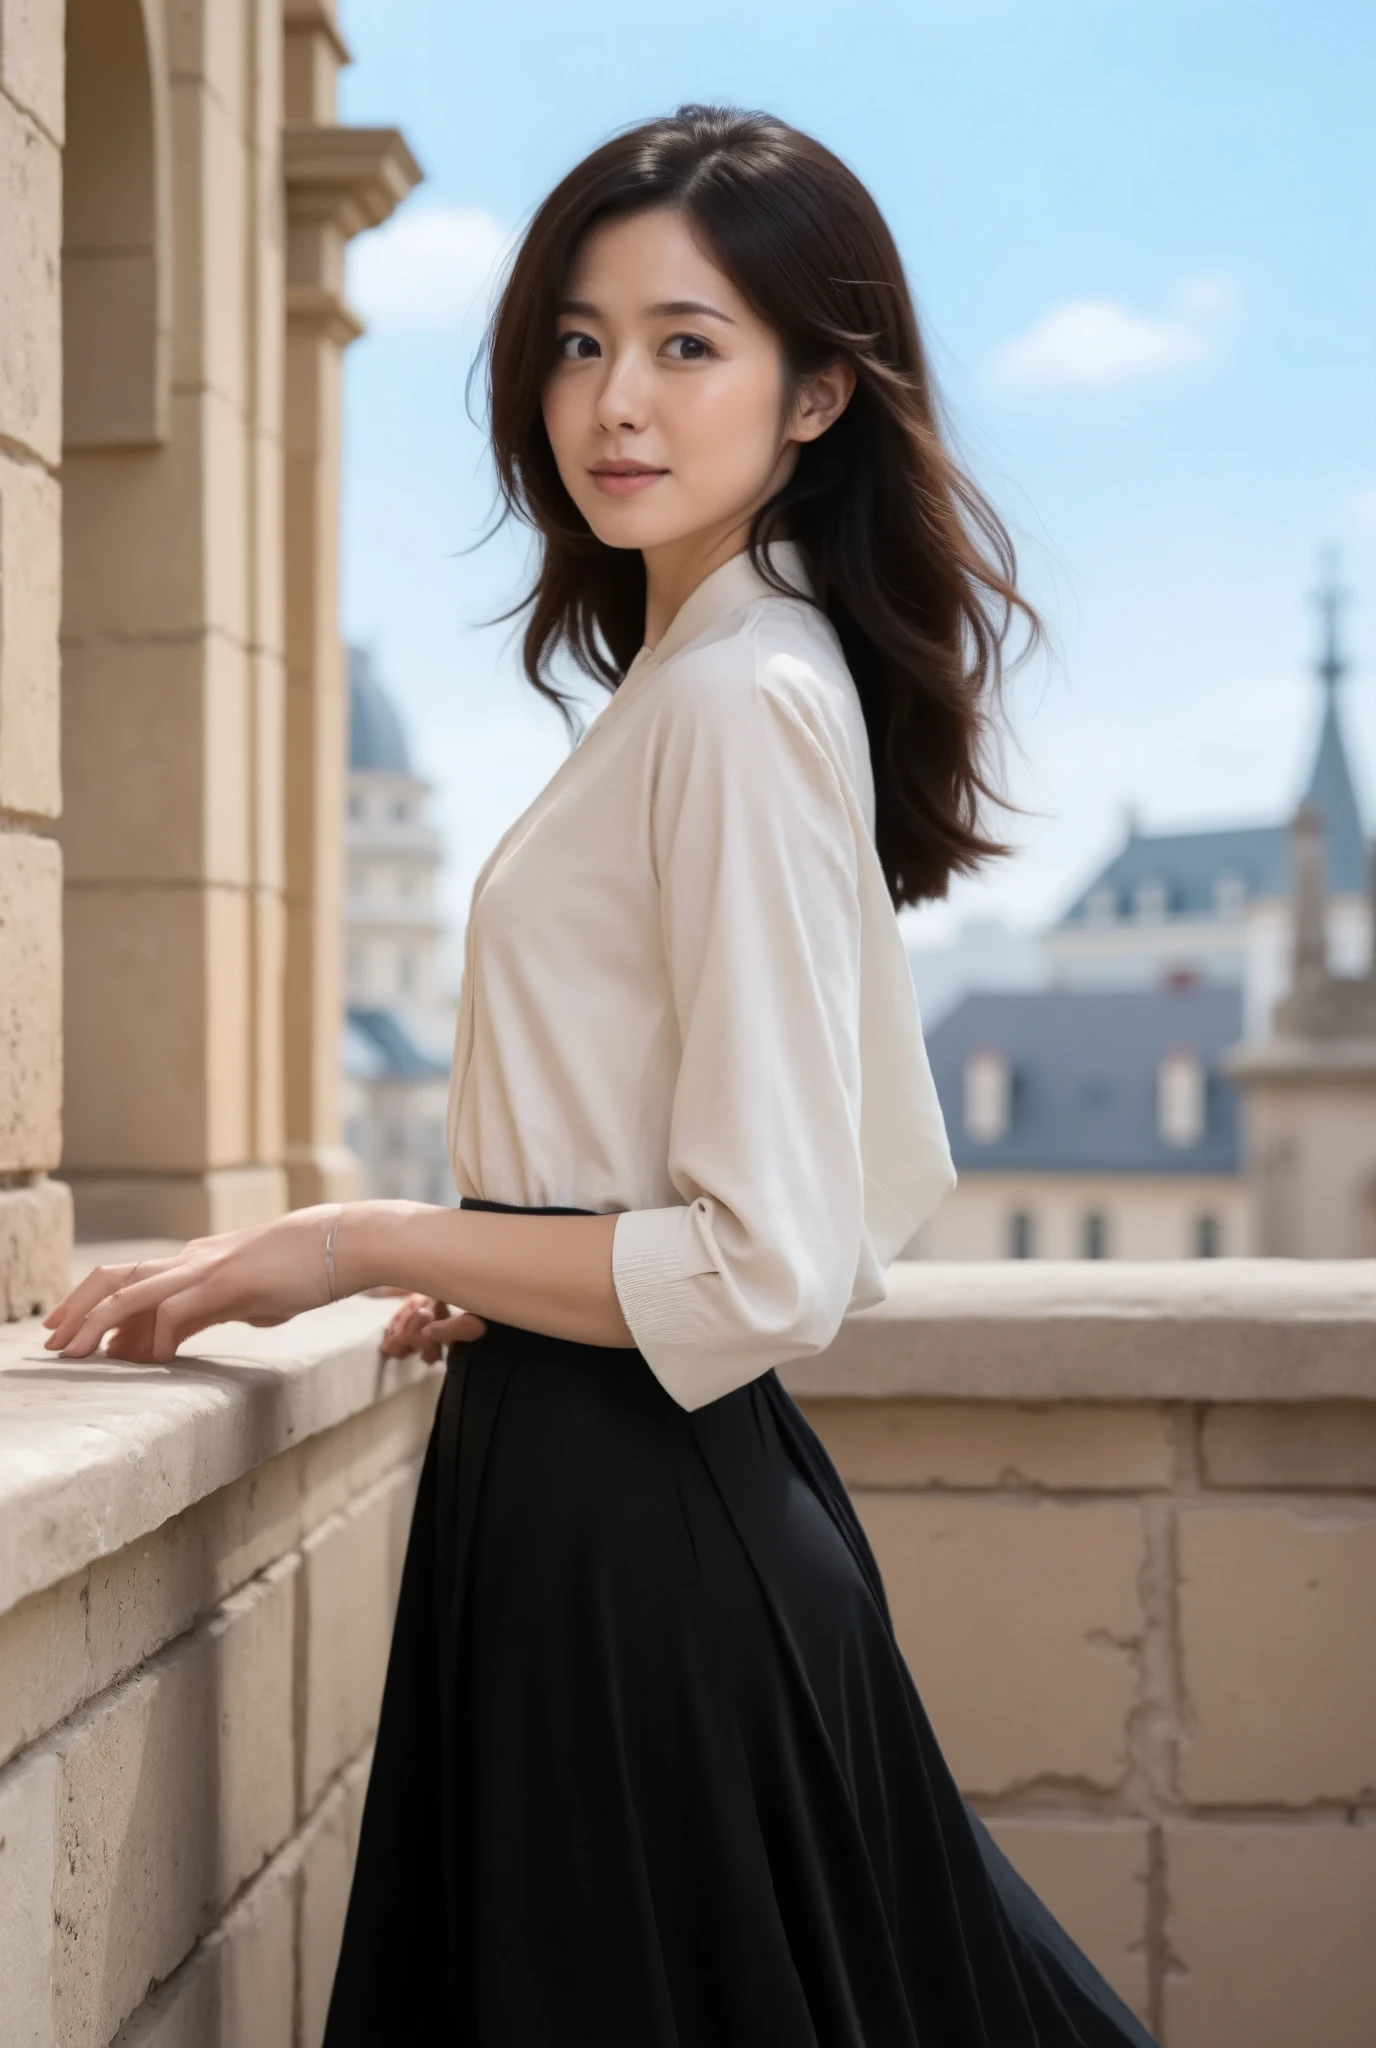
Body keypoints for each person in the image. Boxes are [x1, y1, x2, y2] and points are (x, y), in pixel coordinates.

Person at [43, 104, 1159, 2048]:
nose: (612, 400)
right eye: (576, 340)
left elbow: (765, 1262)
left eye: (684, 342)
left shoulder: (736, 698)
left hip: (639, 1540)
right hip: (606, 1493)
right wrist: (497, 1265)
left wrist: (354, 1237)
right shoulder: (710, 677)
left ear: (818, 393)